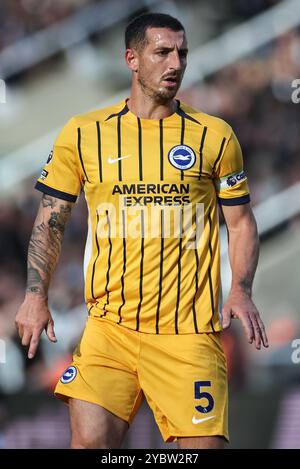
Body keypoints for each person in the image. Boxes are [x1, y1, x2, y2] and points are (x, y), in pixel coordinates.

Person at [15, 12, 269, 449]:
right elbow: (51, 219)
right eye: (163, 52)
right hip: (110, 328)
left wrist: (241, 289)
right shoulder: (83, 134)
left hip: (187, 331)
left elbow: (241, 223)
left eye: (182, 53)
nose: (176, 64)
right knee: (90, 442)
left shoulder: (215, 136)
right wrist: (36, 296)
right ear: (132, 59)